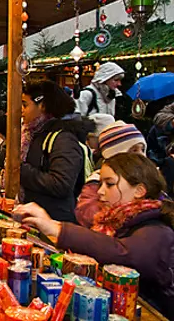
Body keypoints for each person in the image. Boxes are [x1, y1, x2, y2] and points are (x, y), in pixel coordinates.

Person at [15, 153, 174, 317]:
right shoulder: (112, 222)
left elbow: (122, 253)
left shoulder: (158, 230)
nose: (100, 191)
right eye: (101, 184)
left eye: (110, 184)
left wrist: (58, 229)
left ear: (139, 191)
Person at [20, 81, 94, 222]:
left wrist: (20, 170)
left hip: (54, 220)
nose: (22, 110)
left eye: (25, 105)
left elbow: (61, 184)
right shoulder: (34, 134)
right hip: (35, 217)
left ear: (42, 106)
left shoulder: (63, 138)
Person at [75, 121, 146, 227]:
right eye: (134, 150)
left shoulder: (147, 177)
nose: (141, 155)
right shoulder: (97, 180)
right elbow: (86, 213)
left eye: (143, 149)